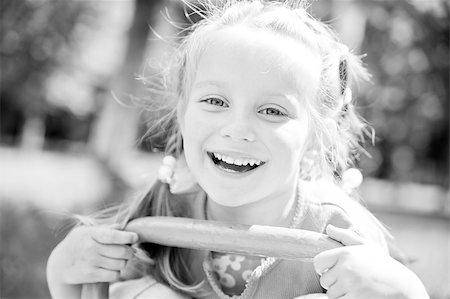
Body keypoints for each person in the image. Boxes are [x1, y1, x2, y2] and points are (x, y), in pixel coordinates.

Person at [46, 1, 429, 298]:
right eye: (215, 101)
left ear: (314, 138)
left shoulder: (339, 230)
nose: (238, 129)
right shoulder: (165, 209)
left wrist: (406, 291)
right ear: (182, 113)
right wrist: (63, 272)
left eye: (272, 111)